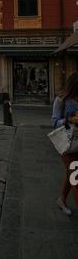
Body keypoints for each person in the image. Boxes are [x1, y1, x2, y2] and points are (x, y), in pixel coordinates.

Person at [52, 72, 78, 216]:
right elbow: (55, 121)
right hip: (66, 141)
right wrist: (70, 120)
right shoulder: (60, 100)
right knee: (76, 174)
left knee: (71, 172)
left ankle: (62, 200)